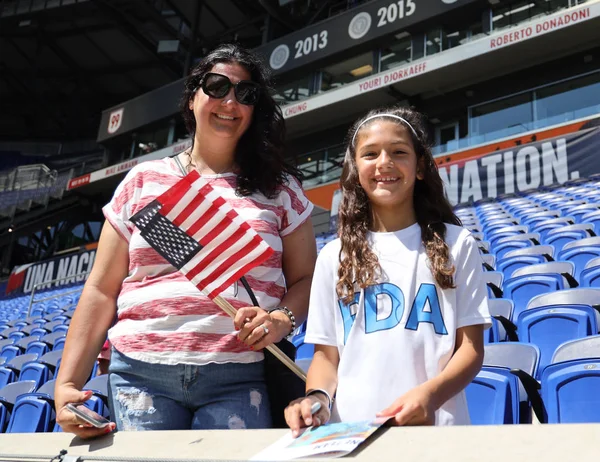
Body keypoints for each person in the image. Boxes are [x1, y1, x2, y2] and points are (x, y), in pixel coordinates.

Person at [55, 43, 317, 437]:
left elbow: (308, 278)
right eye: (216, 86)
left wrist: (280, 319)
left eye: (245, 94)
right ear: (192, 96)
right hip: (140, 375)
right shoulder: (142, 182)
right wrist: (67, 385)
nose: (230, 101)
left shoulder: (280, 190)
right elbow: (100, 290)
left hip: (239, 374)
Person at [285, 106, 490, 436]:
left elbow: (471, 349)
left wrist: (432, 395)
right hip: (350, 433)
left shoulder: (457, 243)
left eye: (398, 152)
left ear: (420, 166)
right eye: (370, 153)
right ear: (355, 169)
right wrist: (317, 398)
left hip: (436, 430)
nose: (384, 162)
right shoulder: (332, 257)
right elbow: (325, 356)